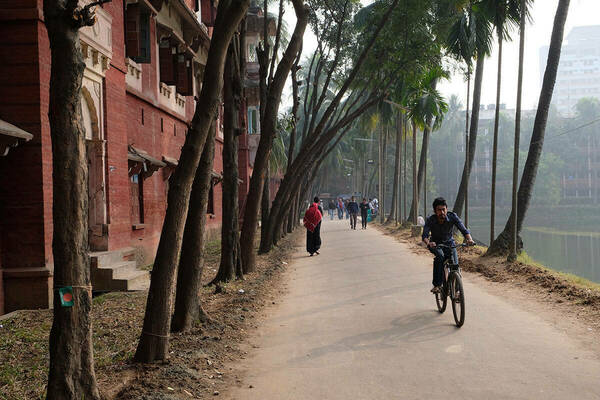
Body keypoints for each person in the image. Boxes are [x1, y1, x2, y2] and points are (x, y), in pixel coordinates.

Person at [422, 197, 475, 294]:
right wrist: (429, 243)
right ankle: (437, 285)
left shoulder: (452, 217)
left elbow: (463, 229)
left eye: (443, 209)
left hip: (450, 244)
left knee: (455, 266)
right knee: (440, 257)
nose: (442, 212)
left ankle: (458, 292)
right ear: (435, 211)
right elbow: (424, 236)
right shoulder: (431, 220)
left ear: (446, 209)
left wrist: (469, 239)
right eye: (439, 210)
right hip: (435, 245)